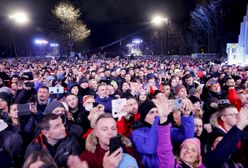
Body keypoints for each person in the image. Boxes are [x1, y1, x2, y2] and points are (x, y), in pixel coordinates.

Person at [131, 99, 172, 167]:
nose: (156, 115)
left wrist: (187, 115)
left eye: (157, 112)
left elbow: (187, 136)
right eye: (152, 112)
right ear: (144, 117)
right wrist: (158, 119)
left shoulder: (164, 128)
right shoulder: (136, 133)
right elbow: (149, 149)